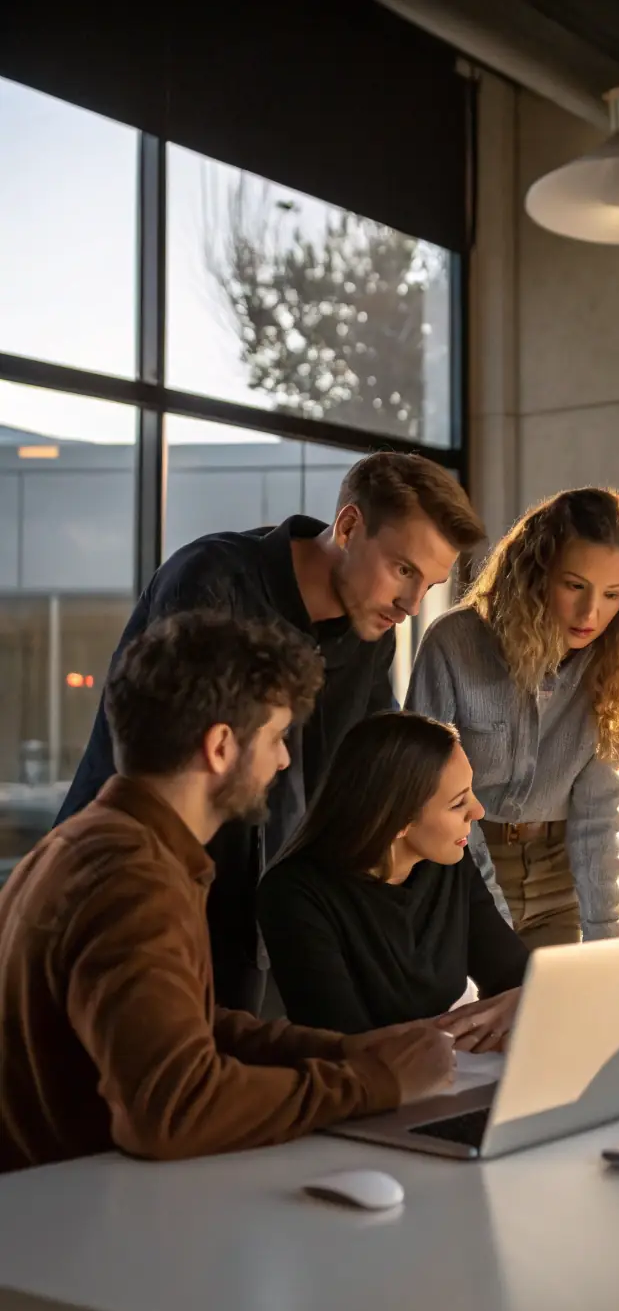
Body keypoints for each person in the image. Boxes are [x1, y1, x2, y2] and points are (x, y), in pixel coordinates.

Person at [0, 611, 455, 1175]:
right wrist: (376, 1084)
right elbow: (174, 1108)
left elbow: (183, 1025)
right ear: (220, 747)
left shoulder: (90, 844)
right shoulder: (133, 878)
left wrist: (341, 1051)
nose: (284, 759)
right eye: (275, 737)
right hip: (77, 1231)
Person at [56, 451, 485, 1012]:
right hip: (142, 888)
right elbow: (174, 763)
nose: (410, 604)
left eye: (428, 585)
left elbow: (372, 773)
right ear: (349, 527)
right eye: (403, 570)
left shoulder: (372, 632)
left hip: (264, 911)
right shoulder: (211, 580)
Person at [406, 487, 619, 948]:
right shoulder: (453, 643)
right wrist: (492, 922)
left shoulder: (616, 668)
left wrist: (610, 942)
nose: (590, 613)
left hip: (559, 880)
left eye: (613, 595)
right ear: (535, 574)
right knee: (482, 1016)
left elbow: (598, 815)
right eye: (574, 585)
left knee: (566, 1013)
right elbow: (427, 797)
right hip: (460, 865)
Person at [257, 712, 528, 1052]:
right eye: (458, 803)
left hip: (446, 1074)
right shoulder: (294, 895)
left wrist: (520, 1000)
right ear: (398, 820)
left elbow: (515, 976)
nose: (478, 811)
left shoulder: (445, 860)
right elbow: (341, 1042)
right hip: (366, 1093)